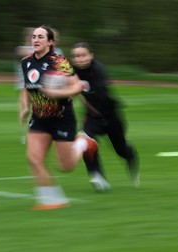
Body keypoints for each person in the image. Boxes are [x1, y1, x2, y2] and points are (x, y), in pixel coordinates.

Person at [18, 26, 98, 210]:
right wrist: (25, 107)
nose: (36, 40)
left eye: (41, 37)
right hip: (39, 118)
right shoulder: (26, 62)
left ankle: (84, 143)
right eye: (34, 36)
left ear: (50, 42)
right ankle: (51, 200)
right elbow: (26, 87)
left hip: (61, 118)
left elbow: (77, 87)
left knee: (66, 166)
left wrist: (56, 92)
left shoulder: (59, 62)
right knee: (33, 159)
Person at [71, 42, 140, 191]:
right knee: (84, 142)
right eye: (76, 56)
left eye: (83, 55)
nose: (80, 59)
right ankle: (97, 176)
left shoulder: (97, 70)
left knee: (120, 150)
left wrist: (75, 90)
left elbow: (96, 94)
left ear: (91, 55)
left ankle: (131, 155)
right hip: (92, 117)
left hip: (110, 116)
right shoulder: (72, 71)